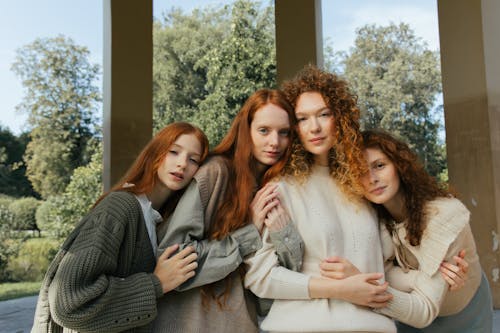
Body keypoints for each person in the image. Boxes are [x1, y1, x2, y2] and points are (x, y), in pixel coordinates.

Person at [244, 65, 397, 333]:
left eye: (324, 114)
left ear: (341, 118)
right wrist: (342, 290)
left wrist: (436, 271)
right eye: (302, 119)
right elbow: (261, 277)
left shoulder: (364, 184)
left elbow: (387, 266)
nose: (314, 127)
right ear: (294, 128)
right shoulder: (281, 188)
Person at [31, 122, 209, 333]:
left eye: (193, 159)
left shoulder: (156, 219)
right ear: (155, 153)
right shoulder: (121, 206)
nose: (182, 164)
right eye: (173, 152)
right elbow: (70, 303)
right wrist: (156, 283)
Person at [153, 89, 304, 333]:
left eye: (284, 133)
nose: (275, 142)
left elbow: (274, 291)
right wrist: (249, 231)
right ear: (247, 130)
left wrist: (283, 231)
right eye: (264, 130)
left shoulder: (278, 188)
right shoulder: (216, 173)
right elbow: (174, 260)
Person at [357, 129, 493, 332]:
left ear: (399, 165)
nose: (372, 178)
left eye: (379, 165)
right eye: (360, 172)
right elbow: (378, 272)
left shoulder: (444, 215)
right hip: (410, 312)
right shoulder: (370, 218)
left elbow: (422, 309)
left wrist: (369, 291)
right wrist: (416, 279)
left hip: (463, 313)